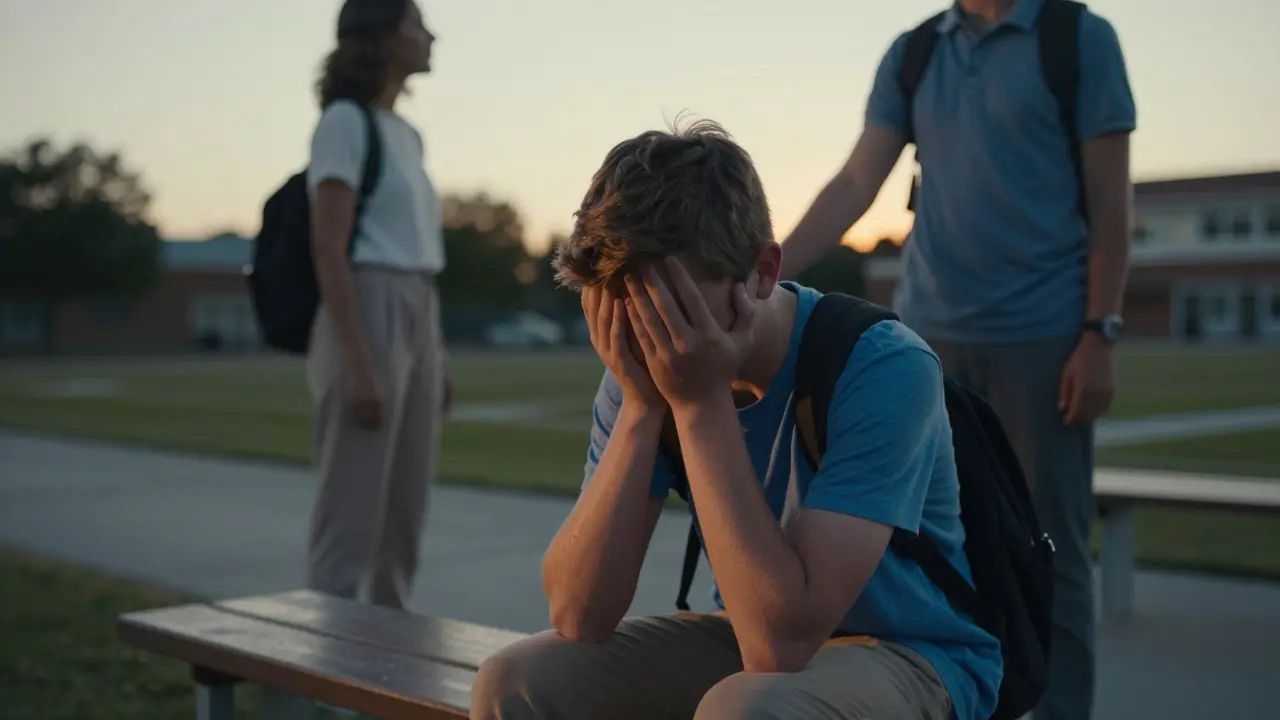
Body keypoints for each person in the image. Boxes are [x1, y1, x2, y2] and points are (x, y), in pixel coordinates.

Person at [470, 119, 1002, 720]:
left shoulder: (880, 365)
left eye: (675, 308)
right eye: (629, 311)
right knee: (514, 681)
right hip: (751, 635)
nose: (653, 338)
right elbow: (577, 612)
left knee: (748, 709)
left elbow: (781, 643)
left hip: (909, 652)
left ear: (763, 272)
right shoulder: (642, 364)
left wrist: (698, 405)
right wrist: (643, 407)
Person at [777, 1, 1136, 718]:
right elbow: (855, 183)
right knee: (922, 550)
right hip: (923, 343)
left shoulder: (1078, 39)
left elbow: (1110, 202)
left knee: (1050, 550)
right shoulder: (914, 53)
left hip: (1044, 336)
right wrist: (761, 269)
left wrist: (1100, 332)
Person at [304, 0, 451, 610]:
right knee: (352, 516)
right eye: (416, 25)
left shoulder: (408, 135)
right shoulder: (343, 122)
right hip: (367, 305)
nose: (430, 35)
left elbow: (418, 248)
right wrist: (361, 363)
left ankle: (384, 679)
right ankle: (311, 686)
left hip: (419, 306)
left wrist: (435, 356)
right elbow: (329, 250)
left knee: (404, 515)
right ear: (384, 39)